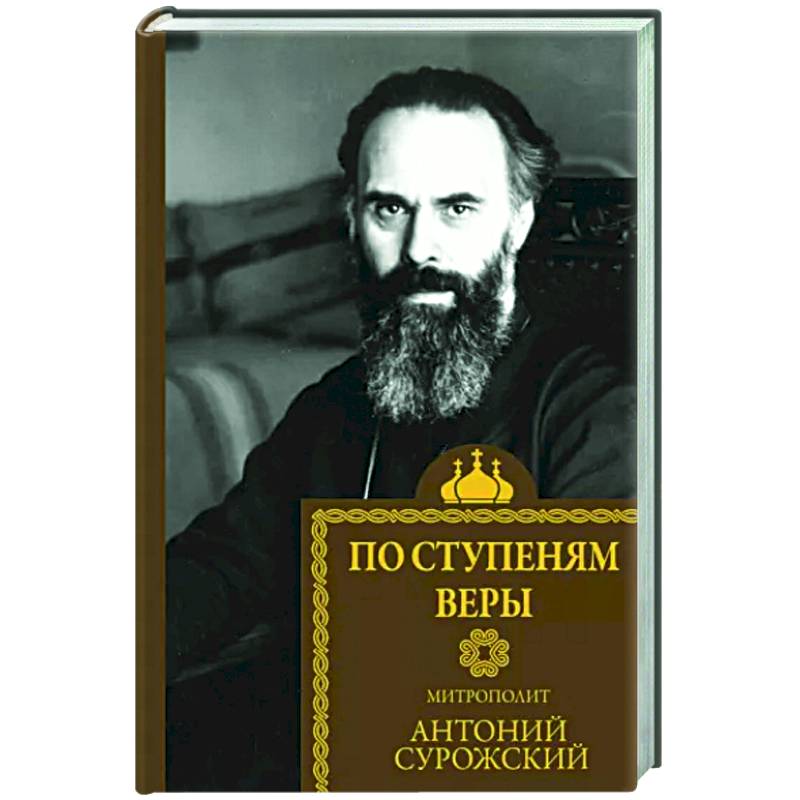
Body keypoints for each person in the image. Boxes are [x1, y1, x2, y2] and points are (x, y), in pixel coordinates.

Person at [166, 66, 635, 789]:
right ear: (353, 221)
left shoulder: (598, 415)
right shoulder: (334, 405)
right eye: (389, 208)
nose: (419, 249)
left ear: (518, 222)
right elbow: (224, 566)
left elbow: (567, 686)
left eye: (457, 208)